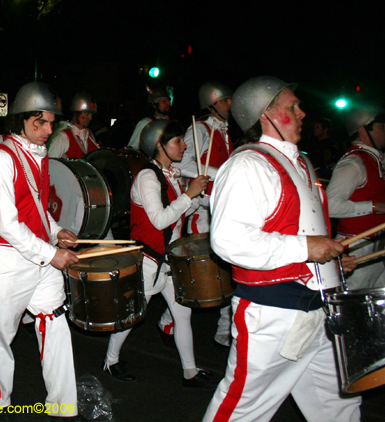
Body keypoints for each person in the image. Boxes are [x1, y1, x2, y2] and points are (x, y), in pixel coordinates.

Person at [203, 76, 361, 422]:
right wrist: (307, 248)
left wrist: (330, 262)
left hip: (318, 309)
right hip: (272, 314)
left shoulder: (302, 162)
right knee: (242, 411)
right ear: (265, 115)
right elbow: (229, 240)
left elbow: (305, 231)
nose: (303, 112)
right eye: (292, 106)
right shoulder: (247, 165)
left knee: (340, 404)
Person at [0, 82, 80, 419]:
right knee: (1, 336)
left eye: (51, 123)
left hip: (39, 256)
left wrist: (55, 230)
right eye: (41, 123)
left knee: (54, 323)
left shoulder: (37, 156)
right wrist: (52, 253)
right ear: (21, 120)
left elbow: (36, 207)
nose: (49, 130)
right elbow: (7, 224)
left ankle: (63, 406)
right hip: (8, 260)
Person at [102, 119, 212, 386]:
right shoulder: (147, 177)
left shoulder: (169, 174)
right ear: (160, 145)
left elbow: (180, 211)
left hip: (169, 259)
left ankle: (190, 372)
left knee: (182, 314)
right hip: (149, 260)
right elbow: (160, 220)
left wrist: (198, 197)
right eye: (177, 141)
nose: (185, 145)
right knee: (132, 315)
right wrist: (189, 196)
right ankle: (110, 361)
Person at [158, 81, 234, 349]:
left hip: (221, 207)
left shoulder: (224, 131)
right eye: (225, 100)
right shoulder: (199, 129)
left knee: (225, 271)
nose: (230, 105)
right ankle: (169, 322)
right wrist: (219, 175)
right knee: (198, 276)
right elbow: (185, 162)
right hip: (202, 211)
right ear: (212, 103)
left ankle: (225, 332)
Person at [327, 105, 385, 289]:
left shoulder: (377, 160)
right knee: (354, 313)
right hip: (355, 250)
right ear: (363, 130)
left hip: (377, 247)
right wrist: (375, 206)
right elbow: (331, 205)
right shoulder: (354, 162)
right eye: (381, 127)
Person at [48, 92, 100, 158]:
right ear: (76, 113)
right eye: (86, 113)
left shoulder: (90, 136)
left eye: (91, 114)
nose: (90, 117)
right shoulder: (63, 137)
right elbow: (51, 164)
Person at [128, 84, 172, 149]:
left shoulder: (169, 123)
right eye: (164, 101)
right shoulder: (145, 123)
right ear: (154, 104)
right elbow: (132, 148)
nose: (168, 103)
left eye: (168, 100)